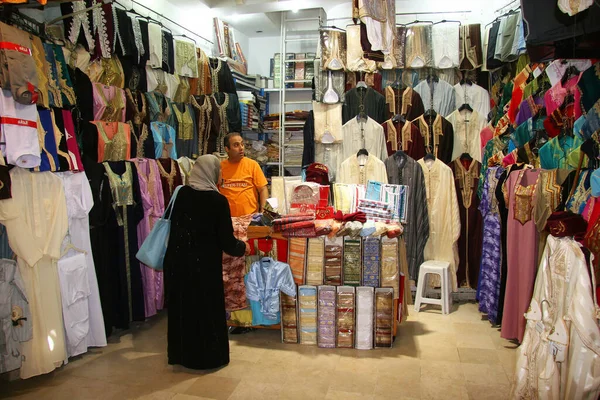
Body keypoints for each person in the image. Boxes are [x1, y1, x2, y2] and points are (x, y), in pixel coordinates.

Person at [163, 155, 249, 370]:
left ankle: (181, 355)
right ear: (211, 172)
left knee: (183, 309)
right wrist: (243, 247)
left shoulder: (181, 193)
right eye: (218, 169)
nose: (220, 173)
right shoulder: (217, 201)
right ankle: (207, 358)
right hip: (203, 266)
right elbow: (226, 242)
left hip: (177, 262)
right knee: (205, 311)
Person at [220, 132, 269, 217]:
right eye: (236, 145)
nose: (241, 148)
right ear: (227, 149)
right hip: (227, 219)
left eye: (242, 144)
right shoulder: (220, 168)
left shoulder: (252, 165)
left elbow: (263, 189)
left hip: (250, 218)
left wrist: (263, 210)